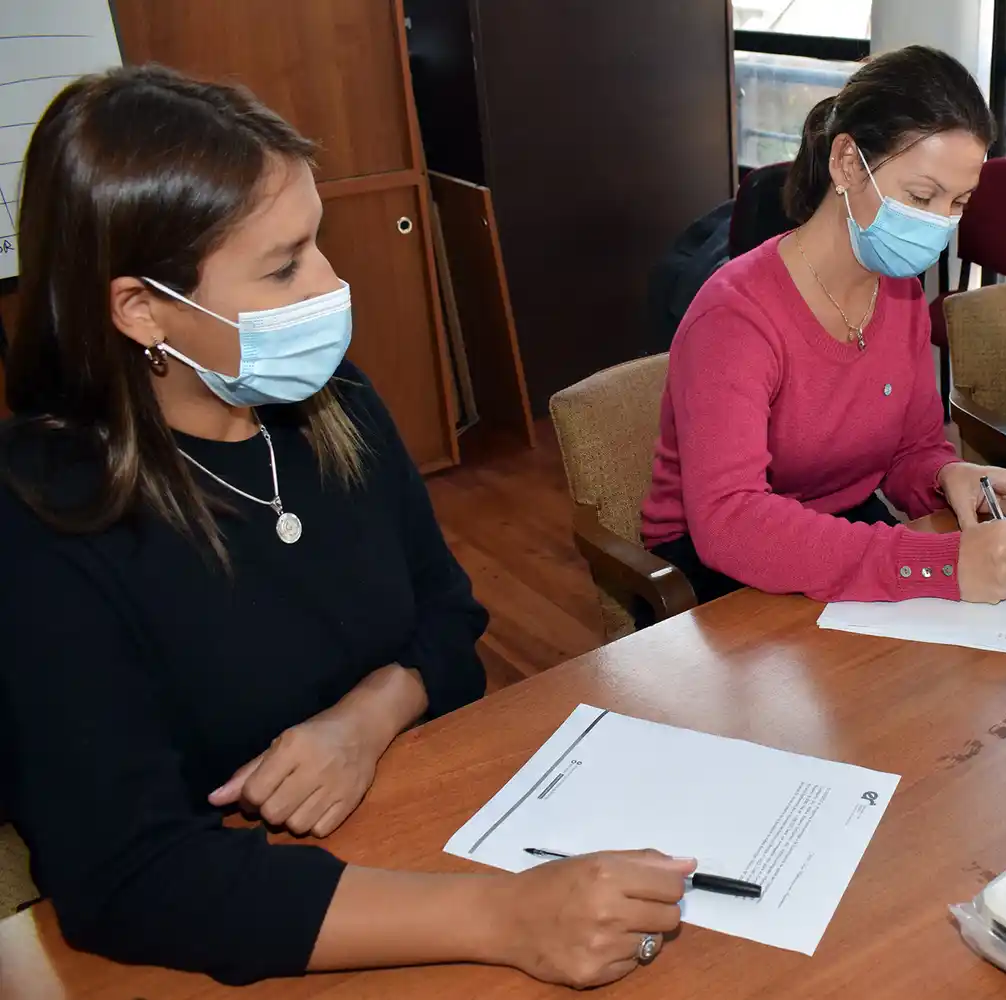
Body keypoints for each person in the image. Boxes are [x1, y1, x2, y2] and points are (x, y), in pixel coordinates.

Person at [0, 66, 693, 988]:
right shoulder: (43, 523)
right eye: (285, 266)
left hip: (411, 836)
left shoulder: (338, 408)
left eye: (316, 243)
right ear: (141, 310)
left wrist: (367, 718)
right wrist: (501, 915)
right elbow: (128, 875)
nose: (332, 283)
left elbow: (449, 622)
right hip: (243, 929)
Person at [638, 46, 1006, 624]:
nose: (940, 223)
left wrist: (948, 477)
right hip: (713, 570)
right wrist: (937, 564)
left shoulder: (900, 293)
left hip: (840, 529)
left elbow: (912, 449)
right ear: (846, 162)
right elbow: (730, 523)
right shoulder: (735, 317)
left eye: (958, 202)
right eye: (921, 197)